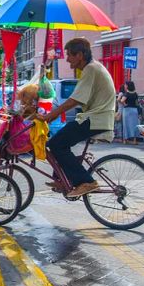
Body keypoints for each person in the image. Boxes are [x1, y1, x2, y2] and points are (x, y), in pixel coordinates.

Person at [40, 38, 116, 197]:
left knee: (56, 144)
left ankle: (86, 182)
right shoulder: (92, 68)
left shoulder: (91, 69)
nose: (67, 59)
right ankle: (63, 179)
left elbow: (74, 100)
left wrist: (49, 117)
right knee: (58, 143)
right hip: (94, 117)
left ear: (80, 55)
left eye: (69, 55)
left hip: (96, 119)